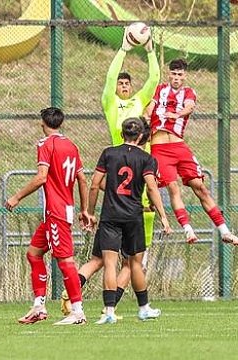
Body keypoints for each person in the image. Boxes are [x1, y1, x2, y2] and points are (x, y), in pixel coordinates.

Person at [60, 31, 160, 317]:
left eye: (127, 83)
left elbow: (153, 79)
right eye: (121, 83)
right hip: (131, 191)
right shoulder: (110, 103)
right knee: (131, 260)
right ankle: (114, 307)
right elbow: (109, 78)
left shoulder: (141, 100)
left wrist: (151, 49)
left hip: (132, 184)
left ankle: (81, 293)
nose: (124, 86)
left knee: (110, 258)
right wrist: (124, 49)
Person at [143, 58, 238, 245]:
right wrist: (146, 116)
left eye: (180, 74)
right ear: (169, 74)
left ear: (185, 76)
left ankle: (225, 231)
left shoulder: (189, 92)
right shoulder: (160, 89)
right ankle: (188, 230)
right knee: (173, 187)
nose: (176, 78)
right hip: (160, 147)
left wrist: (177, 114)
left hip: (180, 147)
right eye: (173, 74)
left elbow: (189, 106)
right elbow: (150, 107)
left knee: (201, 187)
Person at [5, 107, 90, 326]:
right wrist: (84, 209)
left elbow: (41, 177)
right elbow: (82, 179)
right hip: (64, 210)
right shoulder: (71, 145)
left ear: (43, 122)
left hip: (56, 210)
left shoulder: (45, 144)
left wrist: (17, 197)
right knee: (33, 254)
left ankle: (78, 311)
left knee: (65, 260)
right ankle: (38, 306)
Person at [86, 117, 171, 324]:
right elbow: (152, 187)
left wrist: (89, 211)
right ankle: (143, 308)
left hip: (110, 216)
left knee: (109, 263)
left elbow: (95, 184)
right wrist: (163, 216)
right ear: (141, 136)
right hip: (133, 216)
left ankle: (109, 312)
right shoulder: (146, 158)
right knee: (135, 264)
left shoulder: (108, 153)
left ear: (122, 134)